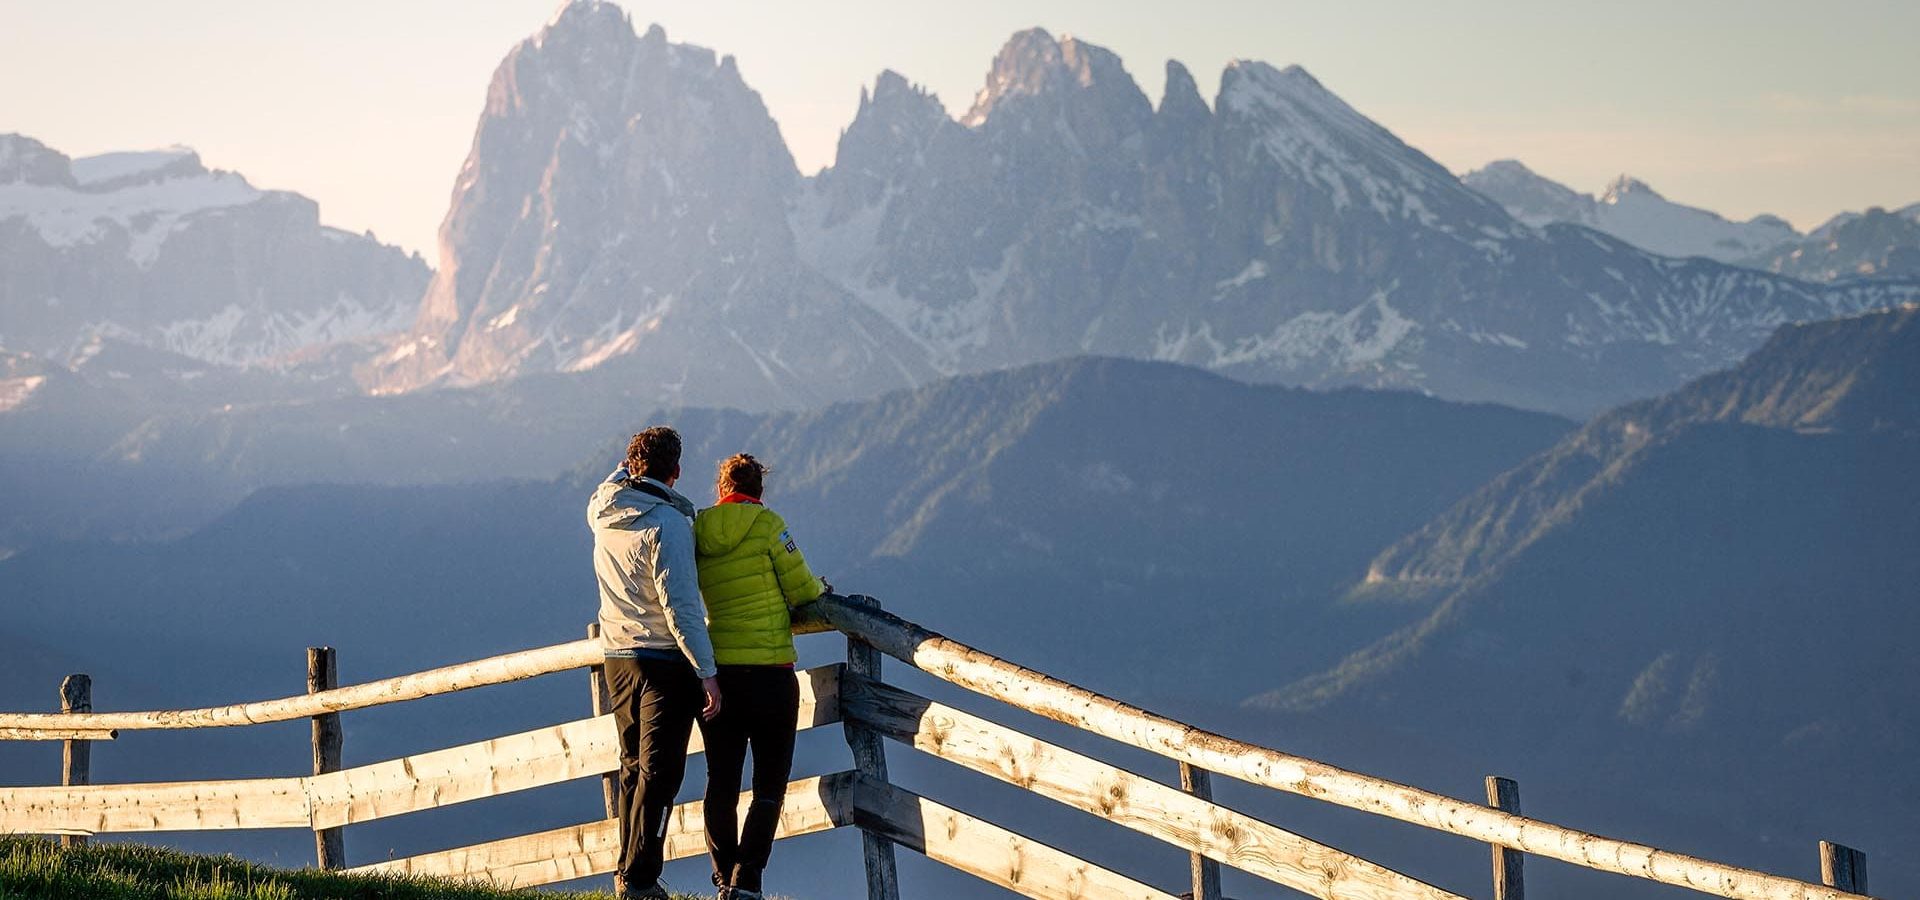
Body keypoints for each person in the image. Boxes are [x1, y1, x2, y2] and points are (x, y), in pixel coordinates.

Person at [588, 426, 724, 900]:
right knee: (661, 773)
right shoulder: (666, 524)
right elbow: (682, 606)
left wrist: (623, 468)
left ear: (630, 466)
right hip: (664, 661)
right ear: (677, 471)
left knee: (631, 766)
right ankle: (642, 880)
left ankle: (628, 869)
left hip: (617, 657)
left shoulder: (604, 514)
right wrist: (706, 671)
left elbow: (617, 478)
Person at [692, 453, 828, 900]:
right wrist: (821, 591)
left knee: (721, 780)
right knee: (769, 782)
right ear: (759, 490)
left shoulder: (698, 529)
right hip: (771, 675)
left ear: (720, 488)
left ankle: (721, 876)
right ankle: (747, 880)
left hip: (720, 675)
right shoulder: (770, 526)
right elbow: (804, 589)